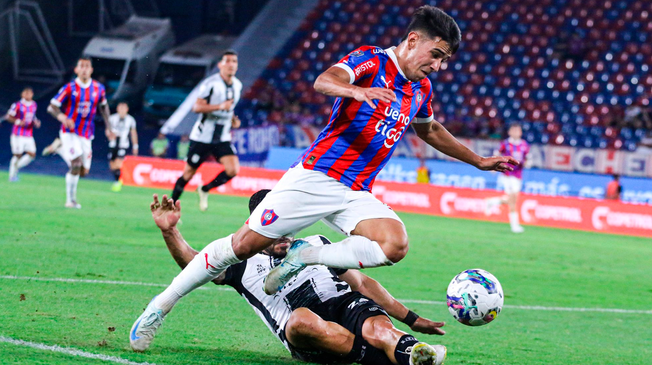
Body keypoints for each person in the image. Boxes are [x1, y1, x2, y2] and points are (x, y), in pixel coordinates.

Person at [130, 6, 516, 351]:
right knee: (243, 246)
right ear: (413, 40)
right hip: (316, 176)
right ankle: (158, 308)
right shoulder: (371, 60)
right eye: (437, 54)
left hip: (355, 191)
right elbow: (323, 80)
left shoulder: (421, 88)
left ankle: (305, 255)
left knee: (394, 245)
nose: (438, 65)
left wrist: (478, 161)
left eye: (445, 60)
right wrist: (357, 92)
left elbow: (429, 130)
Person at [132, 190, 447, 365]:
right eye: (275, 228)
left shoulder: (317, 244)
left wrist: (410, 317)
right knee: (300, 320)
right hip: (305, 334)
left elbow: (362, 284)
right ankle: (392, 357)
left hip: (343, 306)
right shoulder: (243, 261)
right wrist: (170, 231)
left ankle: (413, 352)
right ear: (258, 226)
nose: (284, 233)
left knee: (378, 327)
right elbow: (195, 264)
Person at [170, 50, 242, 212]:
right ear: (220, 65)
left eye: (234, 61)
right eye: (228, 61)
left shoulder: (238, 85)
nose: (231, 64)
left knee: (233, 170)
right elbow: (196, 107)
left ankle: (205, 189)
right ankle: (171, 206)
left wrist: (233, 120)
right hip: (202, 137)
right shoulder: (211, 84)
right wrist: (219, 106)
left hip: (222, 137)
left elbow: (229, 109)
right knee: (188, 175)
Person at [42, 57, 114, 209]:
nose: (84, 69)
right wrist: (61, 116)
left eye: (87, 66)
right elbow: (51, 107)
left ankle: (59, 149)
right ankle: (71, 200)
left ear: (91, 70)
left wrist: (109, 127)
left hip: (87, 133)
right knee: (75, 164)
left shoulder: (98, 88)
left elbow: (104, 107)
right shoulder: (70, 88)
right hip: (69, 132)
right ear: (76, 70)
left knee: (83, 171)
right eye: (81, 66)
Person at [484, 124, 529, 233]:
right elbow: (496, 155)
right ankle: (515, 226)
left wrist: (527, 163)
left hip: (518, 175)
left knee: (512, 199)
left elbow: (526, 159)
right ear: (509, 132)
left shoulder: (524, 145)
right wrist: (493, 167)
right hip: (507, 174)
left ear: (521, 132)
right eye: (513, 130)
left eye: (518, 130)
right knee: (513, 200)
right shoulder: (505, 144)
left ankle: (491, 202)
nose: (516, 132)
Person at [5, 87, 39, 182]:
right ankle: (12, 176)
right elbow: (9, 116)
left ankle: (16, 167)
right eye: (26, 93)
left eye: (30, 93)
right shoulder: (17, 105)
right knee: (17, 155)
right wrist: (18, 121)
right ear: (22, 94)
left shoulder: (34, 105)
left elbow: (32, 116)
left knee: (32, 154)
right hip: (17, 134)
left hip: (28, 134)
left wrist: (36, 122)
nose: (28, 95)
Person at [107, 102, 138, 192]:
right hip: (112, 144)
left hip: (123, 145)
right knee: (112, 165)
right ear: (117, 109)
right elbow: (107, 130)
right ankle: (118, 178)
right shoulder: (112, 118)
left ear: (127, 109)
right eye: (120, 108)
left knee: (118, 163)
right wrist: (109, 135)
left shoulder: (130, 120)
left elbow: (133, 133)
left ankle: (117, 182)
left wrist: (135, 146)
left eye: (124, 108)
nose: (122, 110)